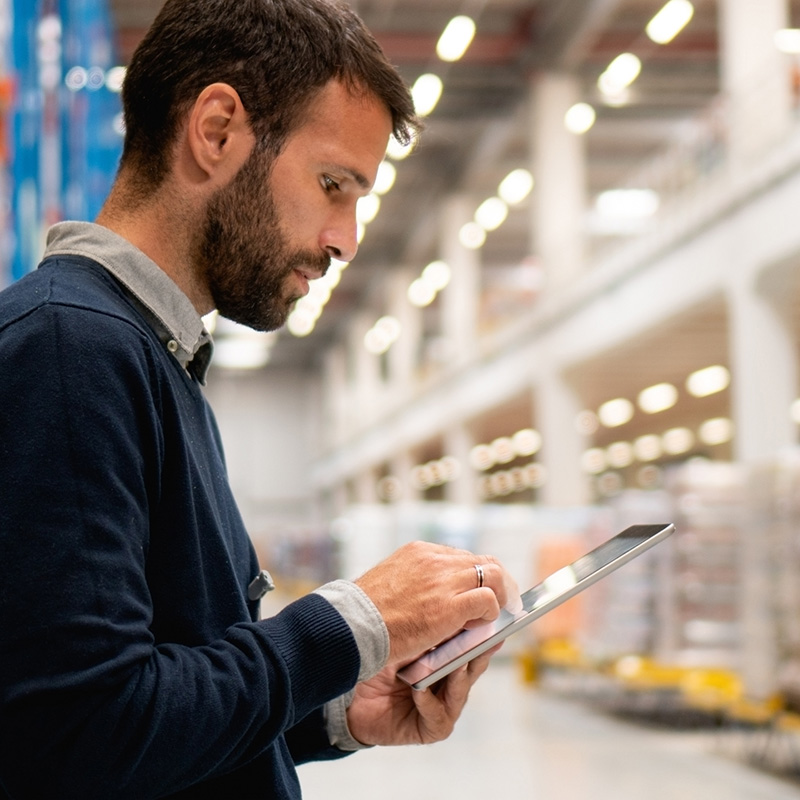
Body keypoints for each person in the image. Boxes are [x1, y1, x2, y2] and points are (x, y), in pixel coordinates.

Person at [0, 0, 521, 797]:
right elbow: (83, 735)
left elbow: (166, 701)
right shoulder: (71, 350)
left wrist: (333, 710)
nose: (346, 237)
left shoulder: (152, 357)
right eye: (333, 183)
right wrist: (348, 625)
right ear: (215, 131)